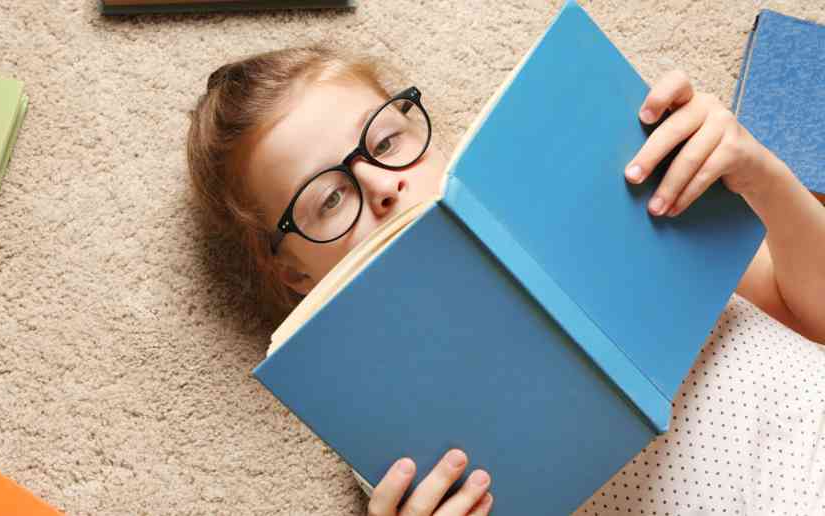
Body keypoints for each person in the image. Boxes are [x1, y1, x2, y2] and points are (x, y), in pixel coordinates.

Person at [185, 45, 825, 516]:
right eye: (327, 200)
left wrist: (762, 176)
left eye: (386, 142)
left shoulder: (615, 184)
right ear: (296, 273)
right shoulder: (391, 436)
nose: (382, 187)